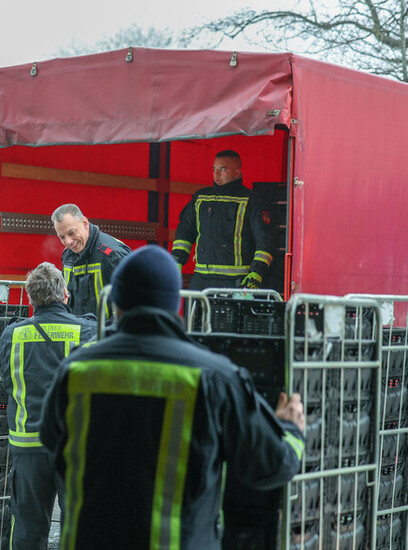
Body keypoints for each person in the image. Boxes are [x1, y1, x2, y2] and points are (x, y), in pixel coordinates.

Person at [40, 245, 305, 549]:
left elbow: (51, 438)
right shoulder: (214, 377)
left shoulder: (75, 371)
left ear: (117, 303)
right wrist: (291, 429)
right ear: (173, 304)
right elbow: (270, 466)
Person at [0, 262, 97, 550]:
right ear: (65, 293)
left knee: (28, 528)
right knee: (77, 529)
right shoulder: (87, 331)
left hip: (27, 446)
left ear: (30, 298)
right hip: (72, 445)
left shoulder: (11, 335)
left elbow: (7, 381)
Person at [171, 149, 274, 290]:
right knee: (194, 313)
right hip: (202, 279)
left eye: (223, 169)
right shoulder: (200, 197)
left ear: (237, 173)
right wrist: (177, 260)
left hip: (237, 281)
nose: (216, 174)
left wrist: (257, 271)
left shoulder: (251, 200)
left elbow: (264, 240)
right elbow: (185, 231)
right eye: (214, 169)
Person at [51, 204, 131, 320]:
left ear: (85, 224)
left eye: (72, 233)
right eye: (62, 237)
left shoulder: (113, 255)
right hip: (78, 334)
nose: (68, 242)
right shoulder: (68, 255)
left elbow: (132, 302)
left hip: (105, 335)